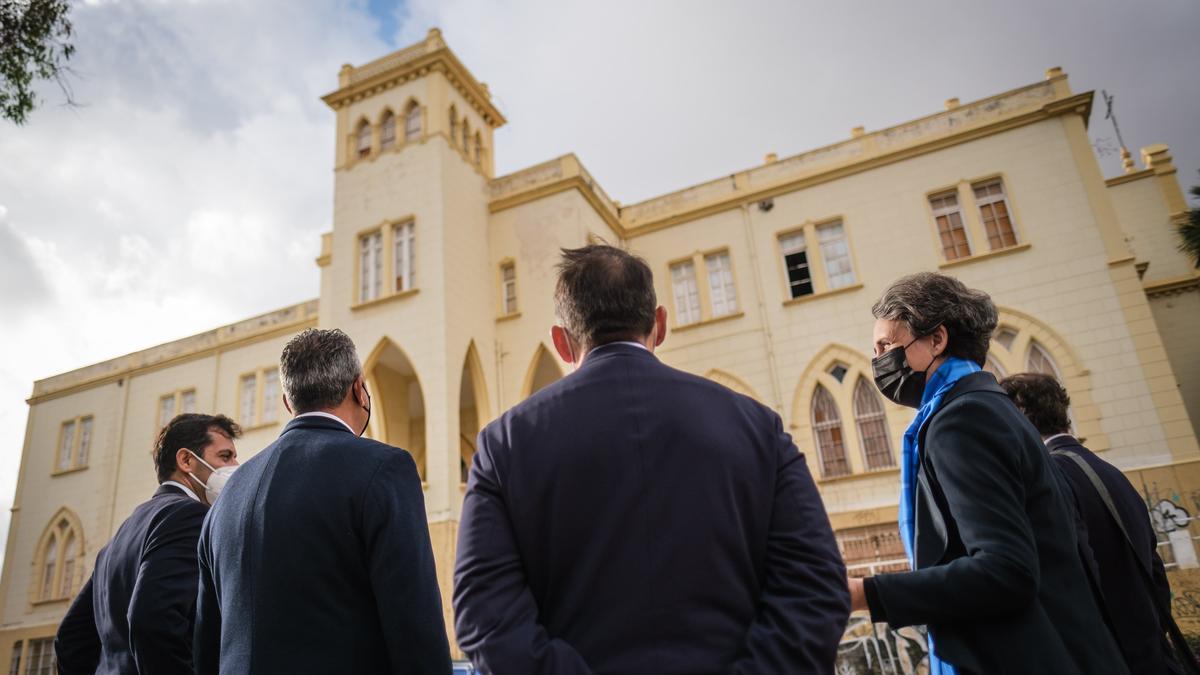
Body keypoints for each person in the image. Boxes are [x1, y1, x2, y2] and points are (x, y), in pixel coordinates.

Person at [454, 245, 850, 674]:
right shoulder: (757, 426)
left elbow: (485, 615)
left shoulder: (504, 443)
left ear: (562, 342)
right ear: (659, 324)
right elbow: (816, 587)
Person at [850, 272, 1128, 674]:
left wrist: (863, 593)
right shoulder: (985, 405)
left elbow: (1006, 571)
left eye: (886, 345)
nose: (877, 361)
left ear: (936, 339)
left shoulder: (961, 419)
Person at [193, 328, 450, 674]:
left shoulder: (227, 497)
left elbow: (206, 645)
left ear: (288, 402)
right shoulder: (384, 468)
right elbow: (414, 625)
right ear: (359, 388)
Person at [1001, 372, 1190, 674]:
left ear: (1020, 415)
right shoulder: (1111, 472)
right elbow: (1154, 570)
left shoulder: (1046, 479)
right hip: (1151, 653)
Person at [54, 413, 241, 674]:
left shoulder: (123, 533)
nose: (235, 465)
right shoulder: (189, 516)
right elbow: (153, 620)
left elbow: (71, 638)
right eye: (225, 456)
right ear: (186, 460)